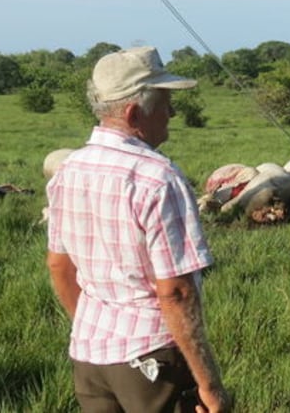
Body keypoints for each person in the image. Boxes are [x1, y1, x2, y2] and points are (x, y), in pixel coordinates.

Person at [46, 46, 231, 413]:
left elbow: (59, 267)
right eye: (164, 101)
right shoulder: (158, 178)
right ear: (134, 112)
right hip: (152, 360)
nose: (172, 112)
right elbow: (175, 292)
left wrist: (98, 328)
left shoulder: (69, 169)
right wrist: (209, 385)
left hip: (90, 357)